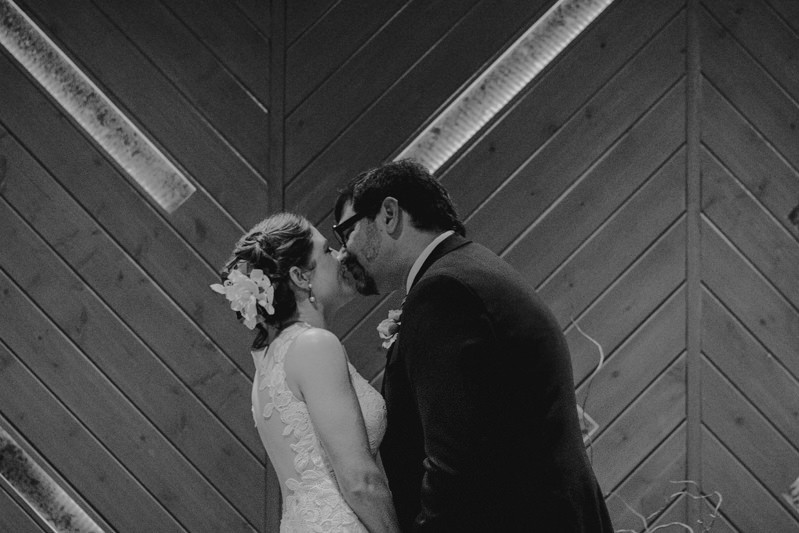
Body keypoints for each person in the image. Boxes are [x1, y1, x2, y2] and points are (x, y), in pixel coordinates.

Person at [334, 159, 614, 532]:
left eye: (346, 232)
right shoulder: (471, 269)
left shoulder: (445, 293)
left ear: (388, 214)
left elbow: (455, 464)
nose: (344, 253)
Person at [211, 213, 400, 532]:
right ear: (300, 276)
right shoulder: (315, 345)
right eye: (326, 251)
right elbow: (360, 482)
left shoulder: (270, 361)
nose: (341, 256)